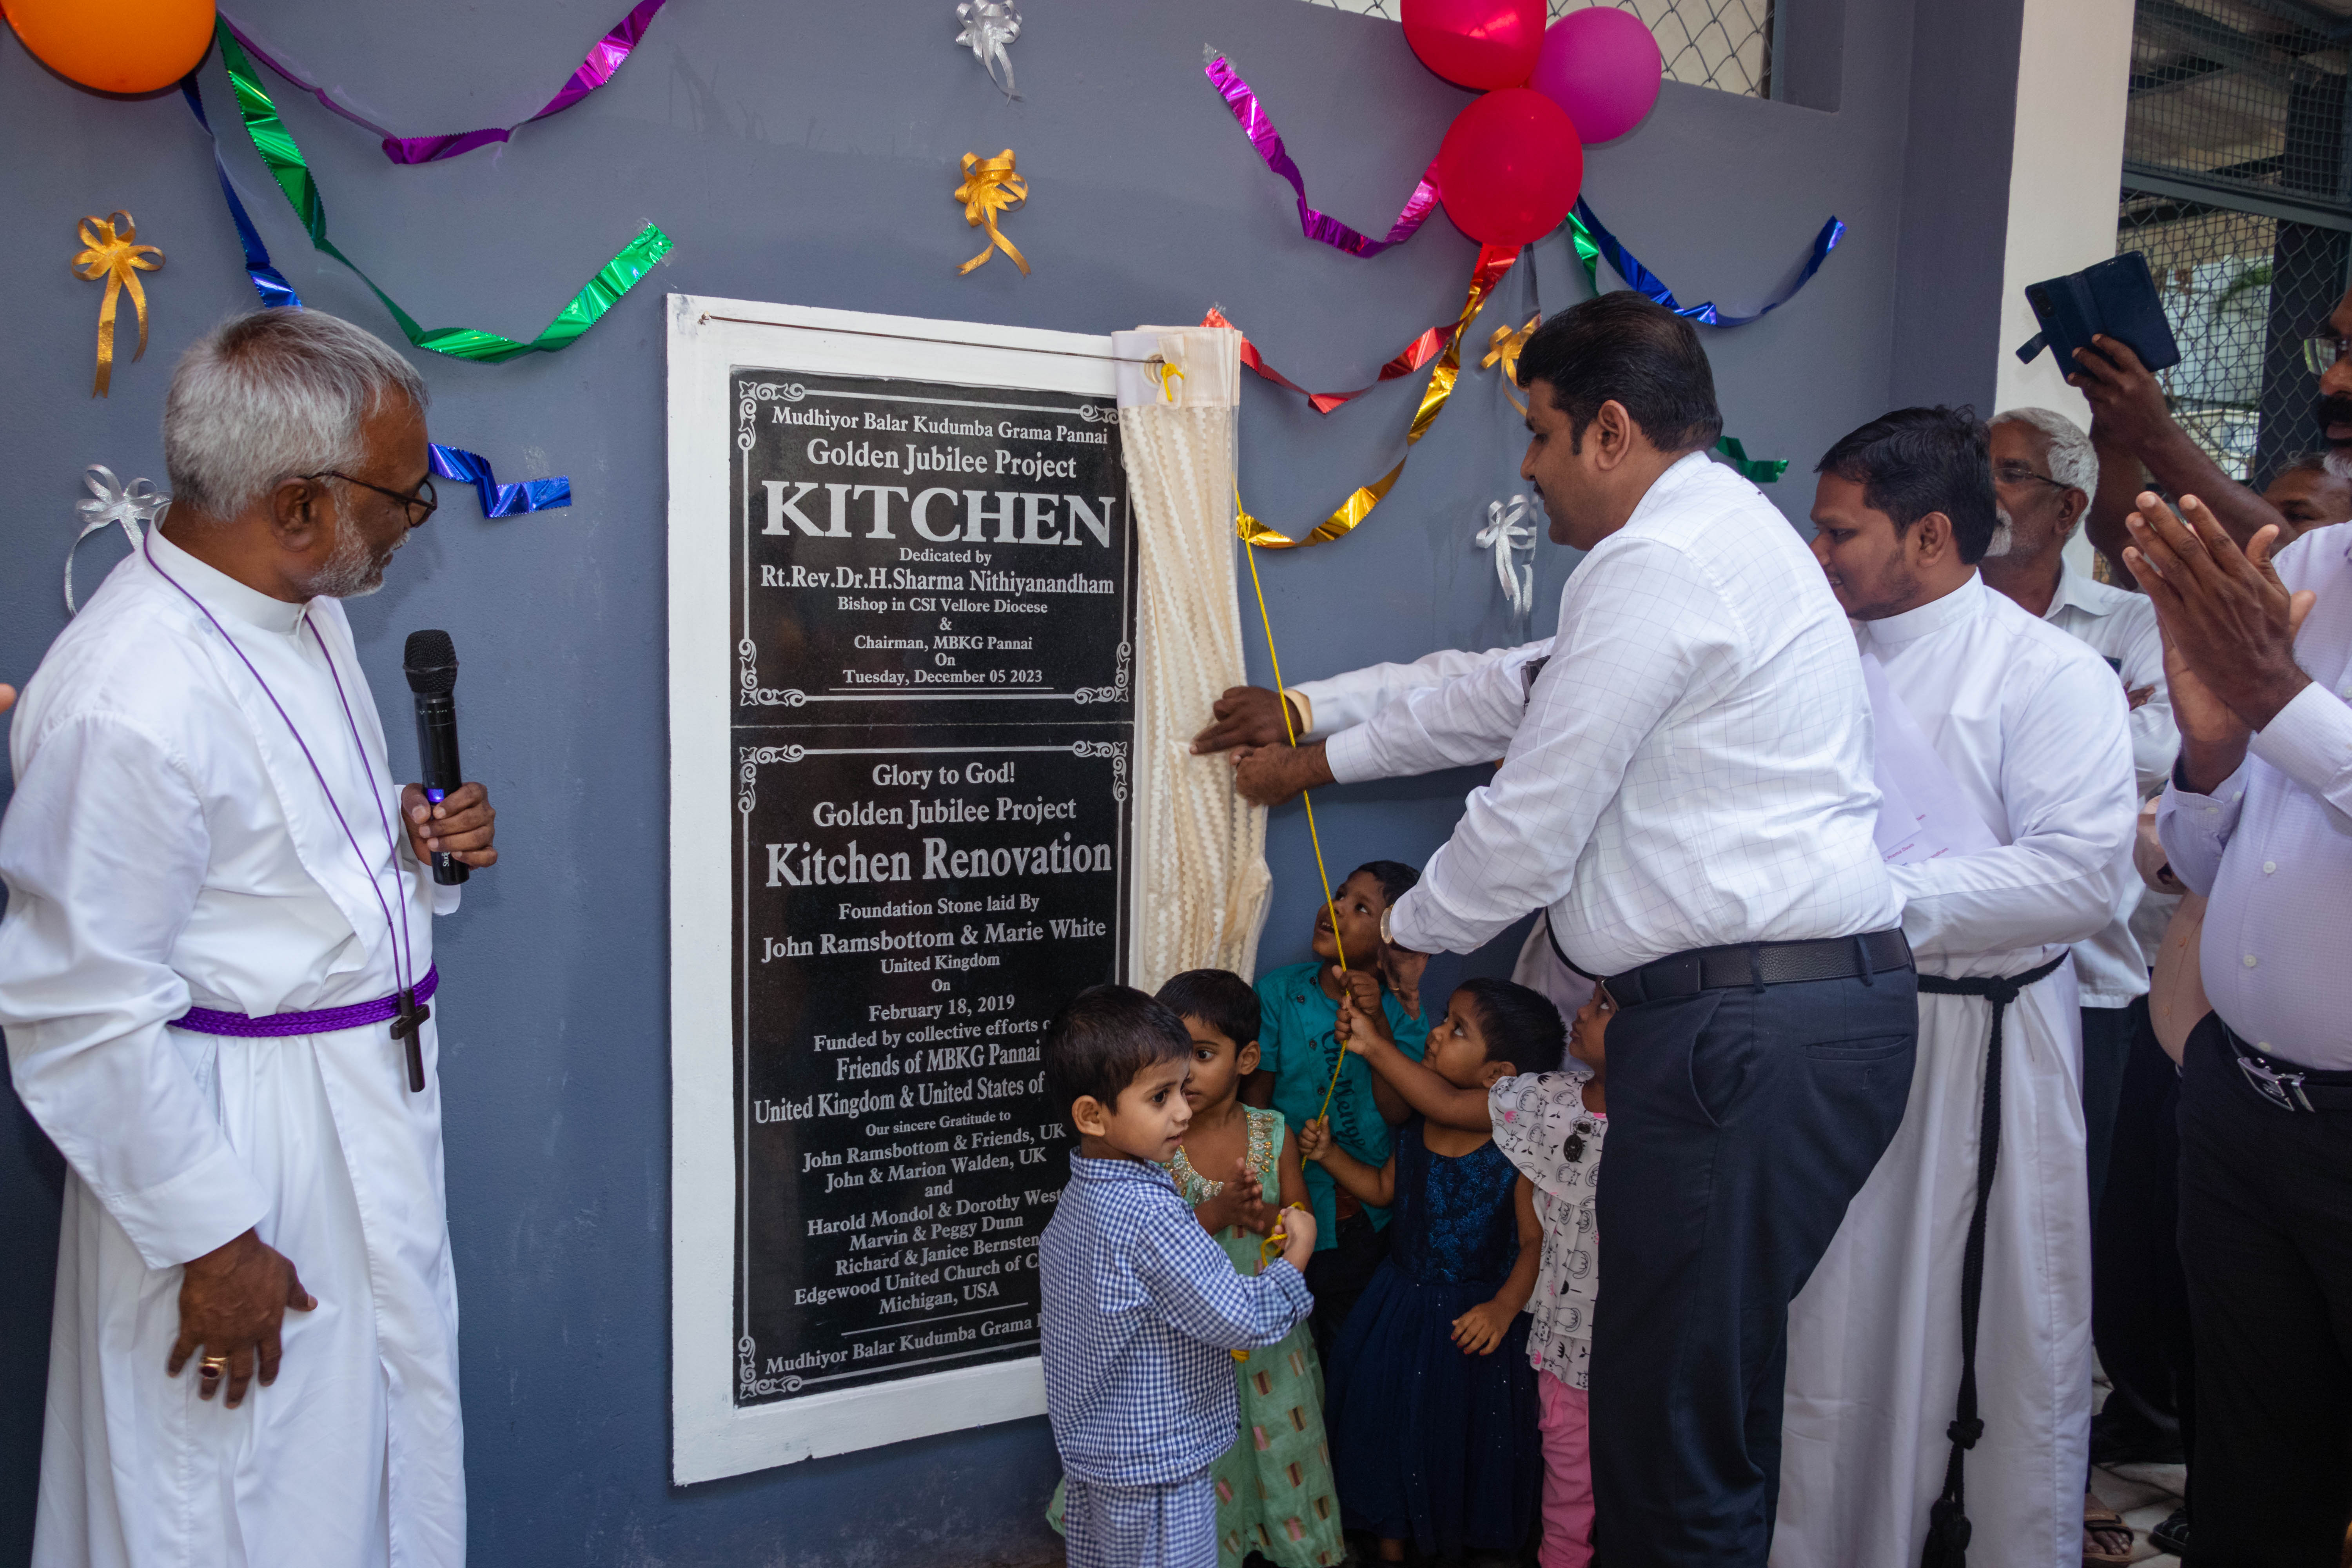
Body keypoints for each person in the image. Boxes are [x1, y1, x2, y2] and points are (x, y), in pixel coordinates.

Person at [1221, 292, 1919, 1568]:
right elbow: (1504, 693)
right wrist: (1316, 733)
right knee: (1695, 1399)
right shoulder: (1715, 543)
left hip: (1742, 1031)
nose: (1530, 471)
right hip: (1772, 1022)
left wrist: (1409, 929)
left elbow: (1531, 814)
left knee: (1666, 1432)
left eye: (1540, 435)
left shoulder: (1658, 564)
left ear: (1609, 431)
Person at [0, 309, 499, 1568]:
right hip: (236, 1154)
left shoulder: (303, 610)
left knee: (363, 1481)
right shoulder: (127, 700)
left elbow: (265, 857)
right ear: (298, 506)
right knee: (229, 1504)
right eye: (405, 495)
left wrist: (406, 842)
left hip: (349, 1110)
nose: (416, 519)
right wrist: (213, 1239)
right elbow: (76, 1010)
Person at [1777, 407, 2136, 1568]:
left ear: (1929, 535)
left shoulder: (2047, 674)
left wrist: (1858, 898)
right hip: (1826, 1026)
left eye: (1839, 532)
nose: (1817, 554)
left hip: (1979, 1043)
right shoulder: (1809, 651)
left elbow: (2077, 876)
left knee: (1980, 1334)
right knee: (1826, 1325)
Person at [2127, 484, 2352, 1564]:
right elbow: (2215, 864)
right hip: (2244, 1106)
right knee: (2252, 1471)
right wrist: (2211, 756)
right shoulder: (2304, 571)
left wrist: (2276, 695)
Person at [1046, 970, 1344, 1568]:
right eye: (1161, 1098)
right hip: (1157, 1466)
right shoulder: (1151, 1214)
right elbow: (1242, 1321)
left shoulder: (1080, 1198)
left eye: (1183, 1087)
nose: (1183, 1111)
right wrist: (1297, 1256)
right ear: (1092, 1115)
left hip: (1097, 1453)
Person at [1333, 963, 1615, 1568]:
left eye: (1457, 1028)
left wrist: (1504, 1307)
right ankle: (1390, 1544)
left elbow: (1533, 1242)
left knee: (1461, 1437)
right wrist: (1376, 1028)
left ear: (1497, 1077)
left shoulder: (1519, 1142)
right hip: (1403, 1306)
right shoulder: (1426, 1124)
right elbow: (1401, 1109)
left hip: (1479, 1315)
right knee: (1390, 1421)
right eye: (1444, 1020)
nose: (1438, 1032)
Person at [1242, 862, 1431, 1352]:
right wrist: (1261, 1184)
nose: (1337, 907)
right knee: (1285, 1342)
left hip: (1362, 1216)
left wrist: (1376, 1023)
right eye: (1342, 893)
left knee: (1348, 1346)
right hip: (1290, 1207)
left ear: (1392, 943)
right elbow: (1256, 1101)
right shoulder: (1279, 991)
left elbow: (1399, 1112)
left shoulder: (1405, 1014)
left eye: (1361, 907)